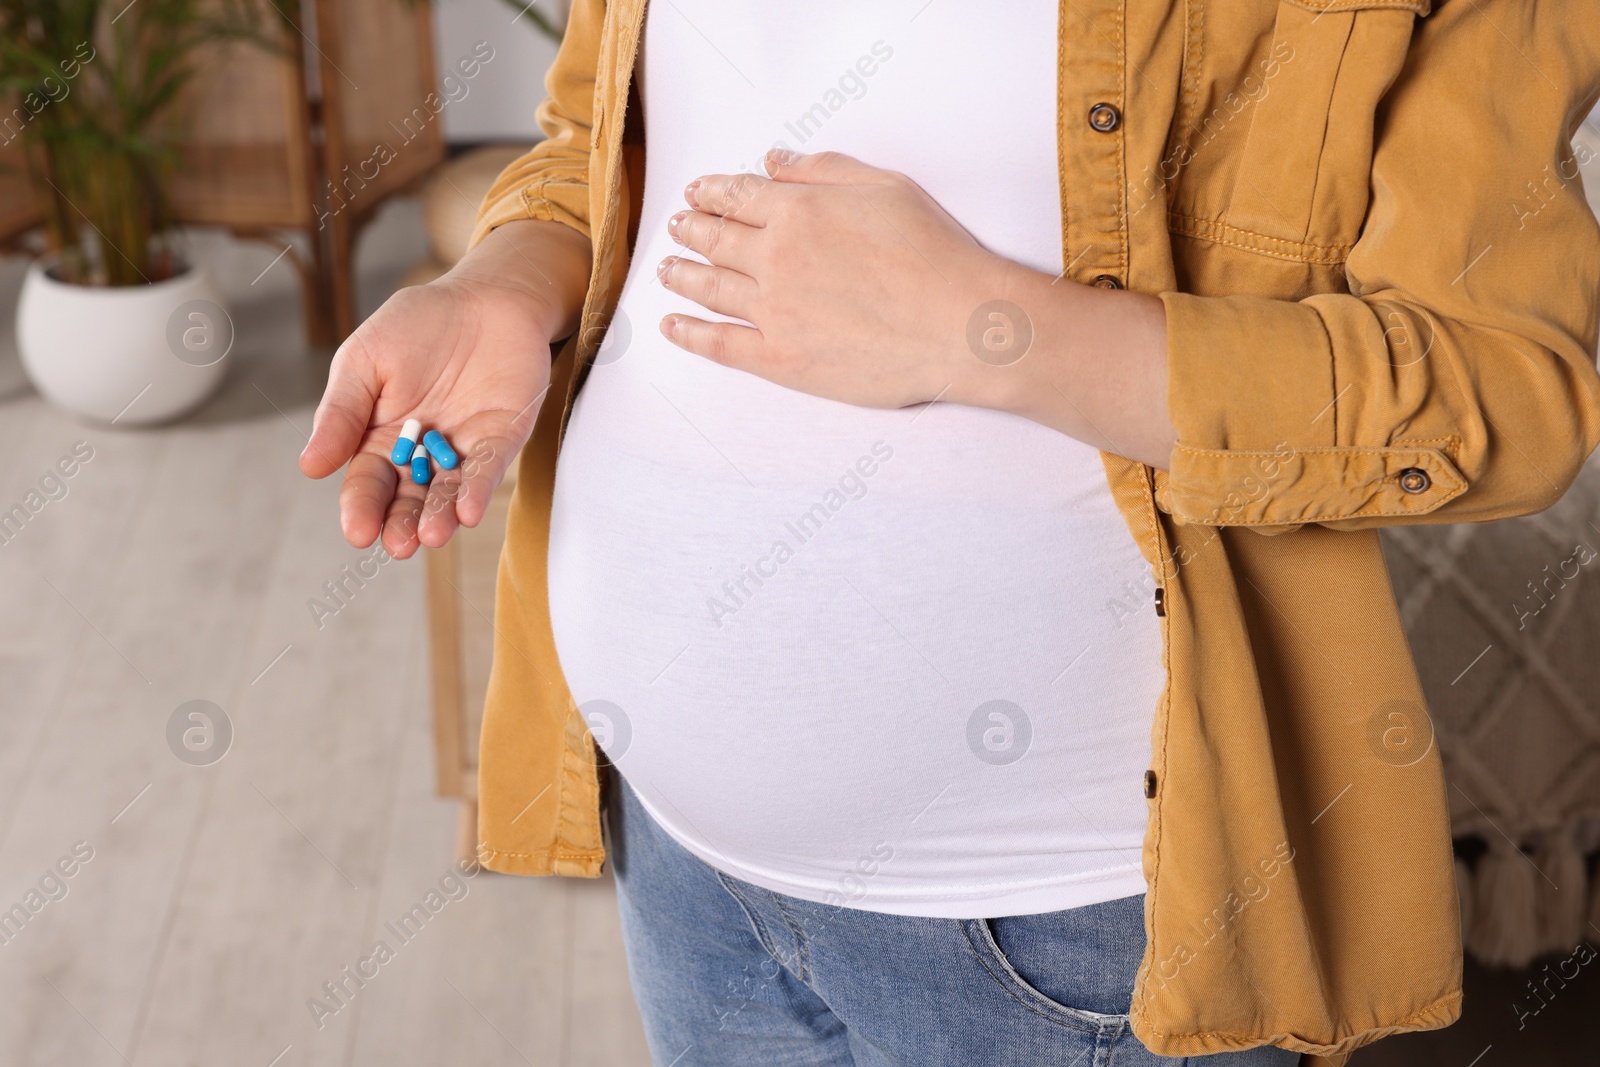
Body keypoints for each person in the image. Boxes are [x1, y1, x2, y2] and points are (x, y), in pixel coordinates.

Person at [300, 2, 1600, 1064]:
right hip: (681, 855)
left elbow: (1503, 387)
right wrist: (502, 282)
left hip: (1076, 927)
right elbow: (604, 124)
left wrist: (989, 329)